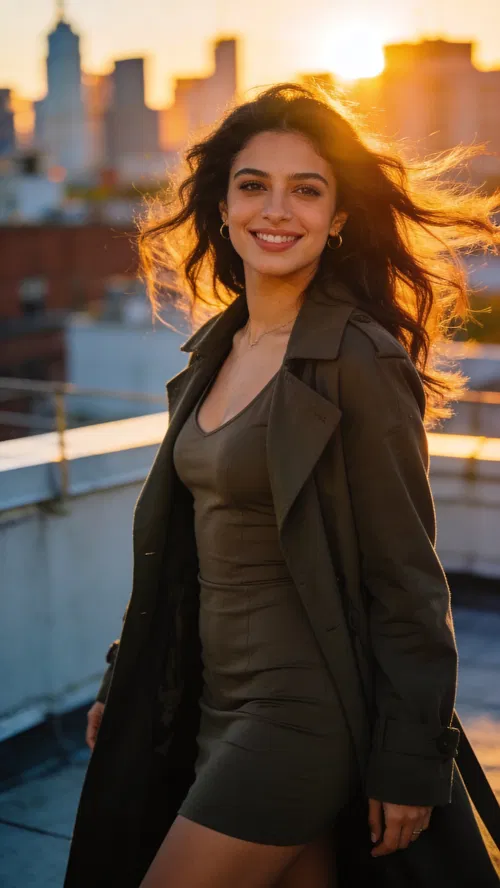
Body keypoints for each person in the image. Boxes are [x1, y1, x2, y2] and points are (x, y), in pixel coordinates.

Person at [66, 83, 500, 888]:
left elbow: (406, 576)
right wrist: (122, 681)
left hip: (300, 718)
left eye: (308, 189)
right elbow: (182, 549)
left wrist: (410, 761)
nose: (278, 210)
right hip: (211, 706)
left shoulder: (359, 360)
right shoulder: (215, 353)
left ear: (338, 217)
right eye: (253, 185)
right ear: (223, 207)